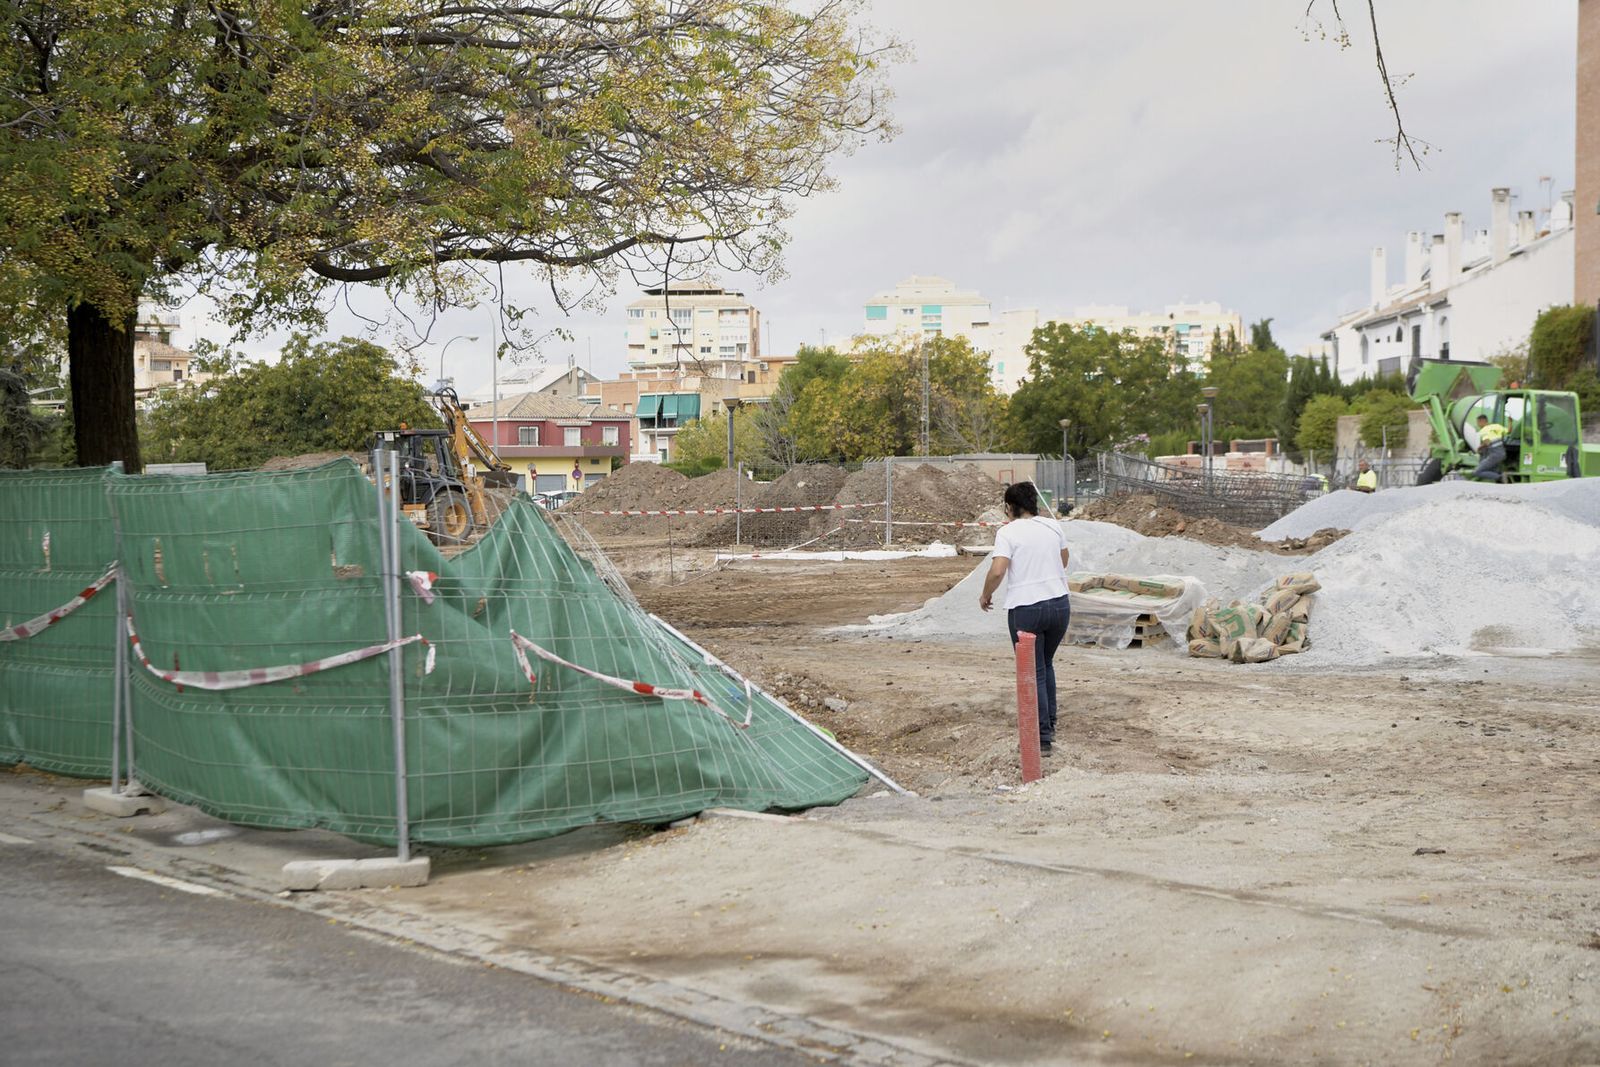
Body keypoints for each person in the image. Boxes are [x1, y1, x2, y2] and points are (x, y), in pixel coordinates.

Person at [979, 482, 1070, 756]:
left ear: (1010, 507)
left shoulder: (1007, 532)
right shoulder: (1053, 526)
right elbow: (1063, 559)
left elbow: (997, 571)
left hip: (1026, 608)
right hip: (1059, 605)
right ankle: (1050, 723)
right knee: (1046, 664)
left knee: (1034, 671)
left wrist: (985, 595)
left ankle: (1041, 738)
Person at [1471, 414, 1507, 482]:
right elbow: (1509, 430)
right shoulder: (1496, 426)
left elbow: (1487, 442)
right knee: (1492, 470)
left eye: (1478, 423)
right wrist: (1510, 421)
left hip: (1494, 455)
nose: (1478, 425)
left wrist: (1479, 447)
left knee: (1477, 472)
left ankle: (1500, 477)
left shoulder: (1484, 430)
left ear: (1481, 421)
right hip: (1502, 454)